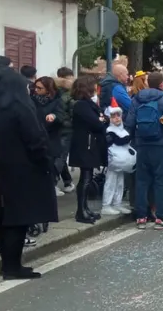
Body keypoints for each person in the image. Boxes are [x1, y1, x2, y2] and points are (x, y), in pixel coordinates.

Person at [0, 56, 56, 272]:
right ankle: (13, 266)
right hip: (25, 170)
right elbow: (34, 139)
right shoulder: (21, 108)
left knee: (7, 218)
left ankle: (9, 264)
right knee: (20, 219)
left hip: (5, 168)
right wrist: (45, 161)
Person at [126, 71, 163, 229]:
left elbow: (129, 122)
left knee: (142, 181)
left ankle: (141, 217)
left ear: (148, 83)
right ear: (162, 84)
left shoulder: (137, 98)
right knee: (161, 181)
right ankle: (160, 218)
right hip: (161, 145)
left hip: (141, 145)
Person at [67, 75, 107, 224]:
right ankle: (81, 211)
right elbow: (96, 123)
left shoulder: (87, 104)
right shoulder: (82, 105)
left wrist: (102, 120)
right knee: (85, 178)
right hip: (85, 144)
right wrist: (102, 120)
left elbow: (101, 120)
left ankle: (85, 208)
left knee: (87, 177)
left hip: (89, 143)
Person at [102, 104, 134, 215]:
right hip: (113, 162)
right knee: (110, 182)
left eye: (118, 115)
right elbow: (119, 141)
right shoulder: (109, 131)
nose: (117, 118)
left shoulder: (122, 130)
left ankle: (117, 203)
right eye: (113, 116)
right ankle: (106, 205)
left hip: (121, 162)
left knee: (120, 183)